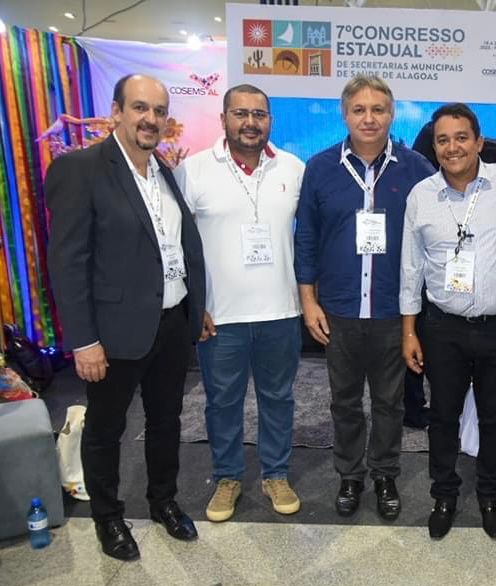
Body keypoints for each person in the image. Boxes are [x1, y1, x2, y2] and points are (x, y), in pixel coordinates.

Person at [46, 74, 206, 561]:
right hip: (113, 332)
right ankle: (108, 518)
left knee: (166, 420)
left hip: (171, 322)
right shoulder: (80, 169)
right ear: (116, 111)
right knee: (106, 429)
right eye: (140, 107)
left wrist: (195, 306)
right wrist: (83, 340)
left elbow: (174, 248)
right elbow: (67, 262)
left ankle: (164, 502)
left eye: (159, 110)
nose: (150, 119)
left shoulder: (164, 172)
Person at [295, 76, 435, 520]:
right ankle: (350, 475)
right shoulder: (320, 168)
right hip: (339, 310)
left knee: (391, 402)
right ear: (345, 114)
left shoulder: (417, 169)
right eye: (359, 109)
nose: (369, 118)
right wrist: (308, 301)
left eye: (378, 109)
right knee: (345, 401)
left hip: (394, 311)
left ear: (392, 114)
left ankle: (385, 474)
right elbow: (307, 238)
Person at [400, 103, 496, 540]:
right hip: (443, 328)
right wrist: (409, 331)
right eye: (443, 140)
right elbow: (410, 269)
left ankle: (490, 495)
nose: (452, 147)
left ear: (479, 142)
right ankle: (444, 495)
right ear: (434, 146)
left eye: (461, 137)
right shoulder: (421, 196)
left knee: (495, 418)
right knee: (443, 416)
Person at [175, 84, 305, 522]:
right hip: (220, 317)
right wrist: (194, 306)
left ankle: (276, 474)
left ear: (270, 120)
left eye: (259, 114)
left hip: (281, 312)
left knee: (278, 398)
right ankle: (228, 476)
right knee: (222, 402)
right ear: (224, 119)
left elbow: (309, 237)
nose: (251, 122)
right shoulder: (193, 171)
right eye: (241, 113)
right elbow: (178, 244)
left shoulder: (293, 168)